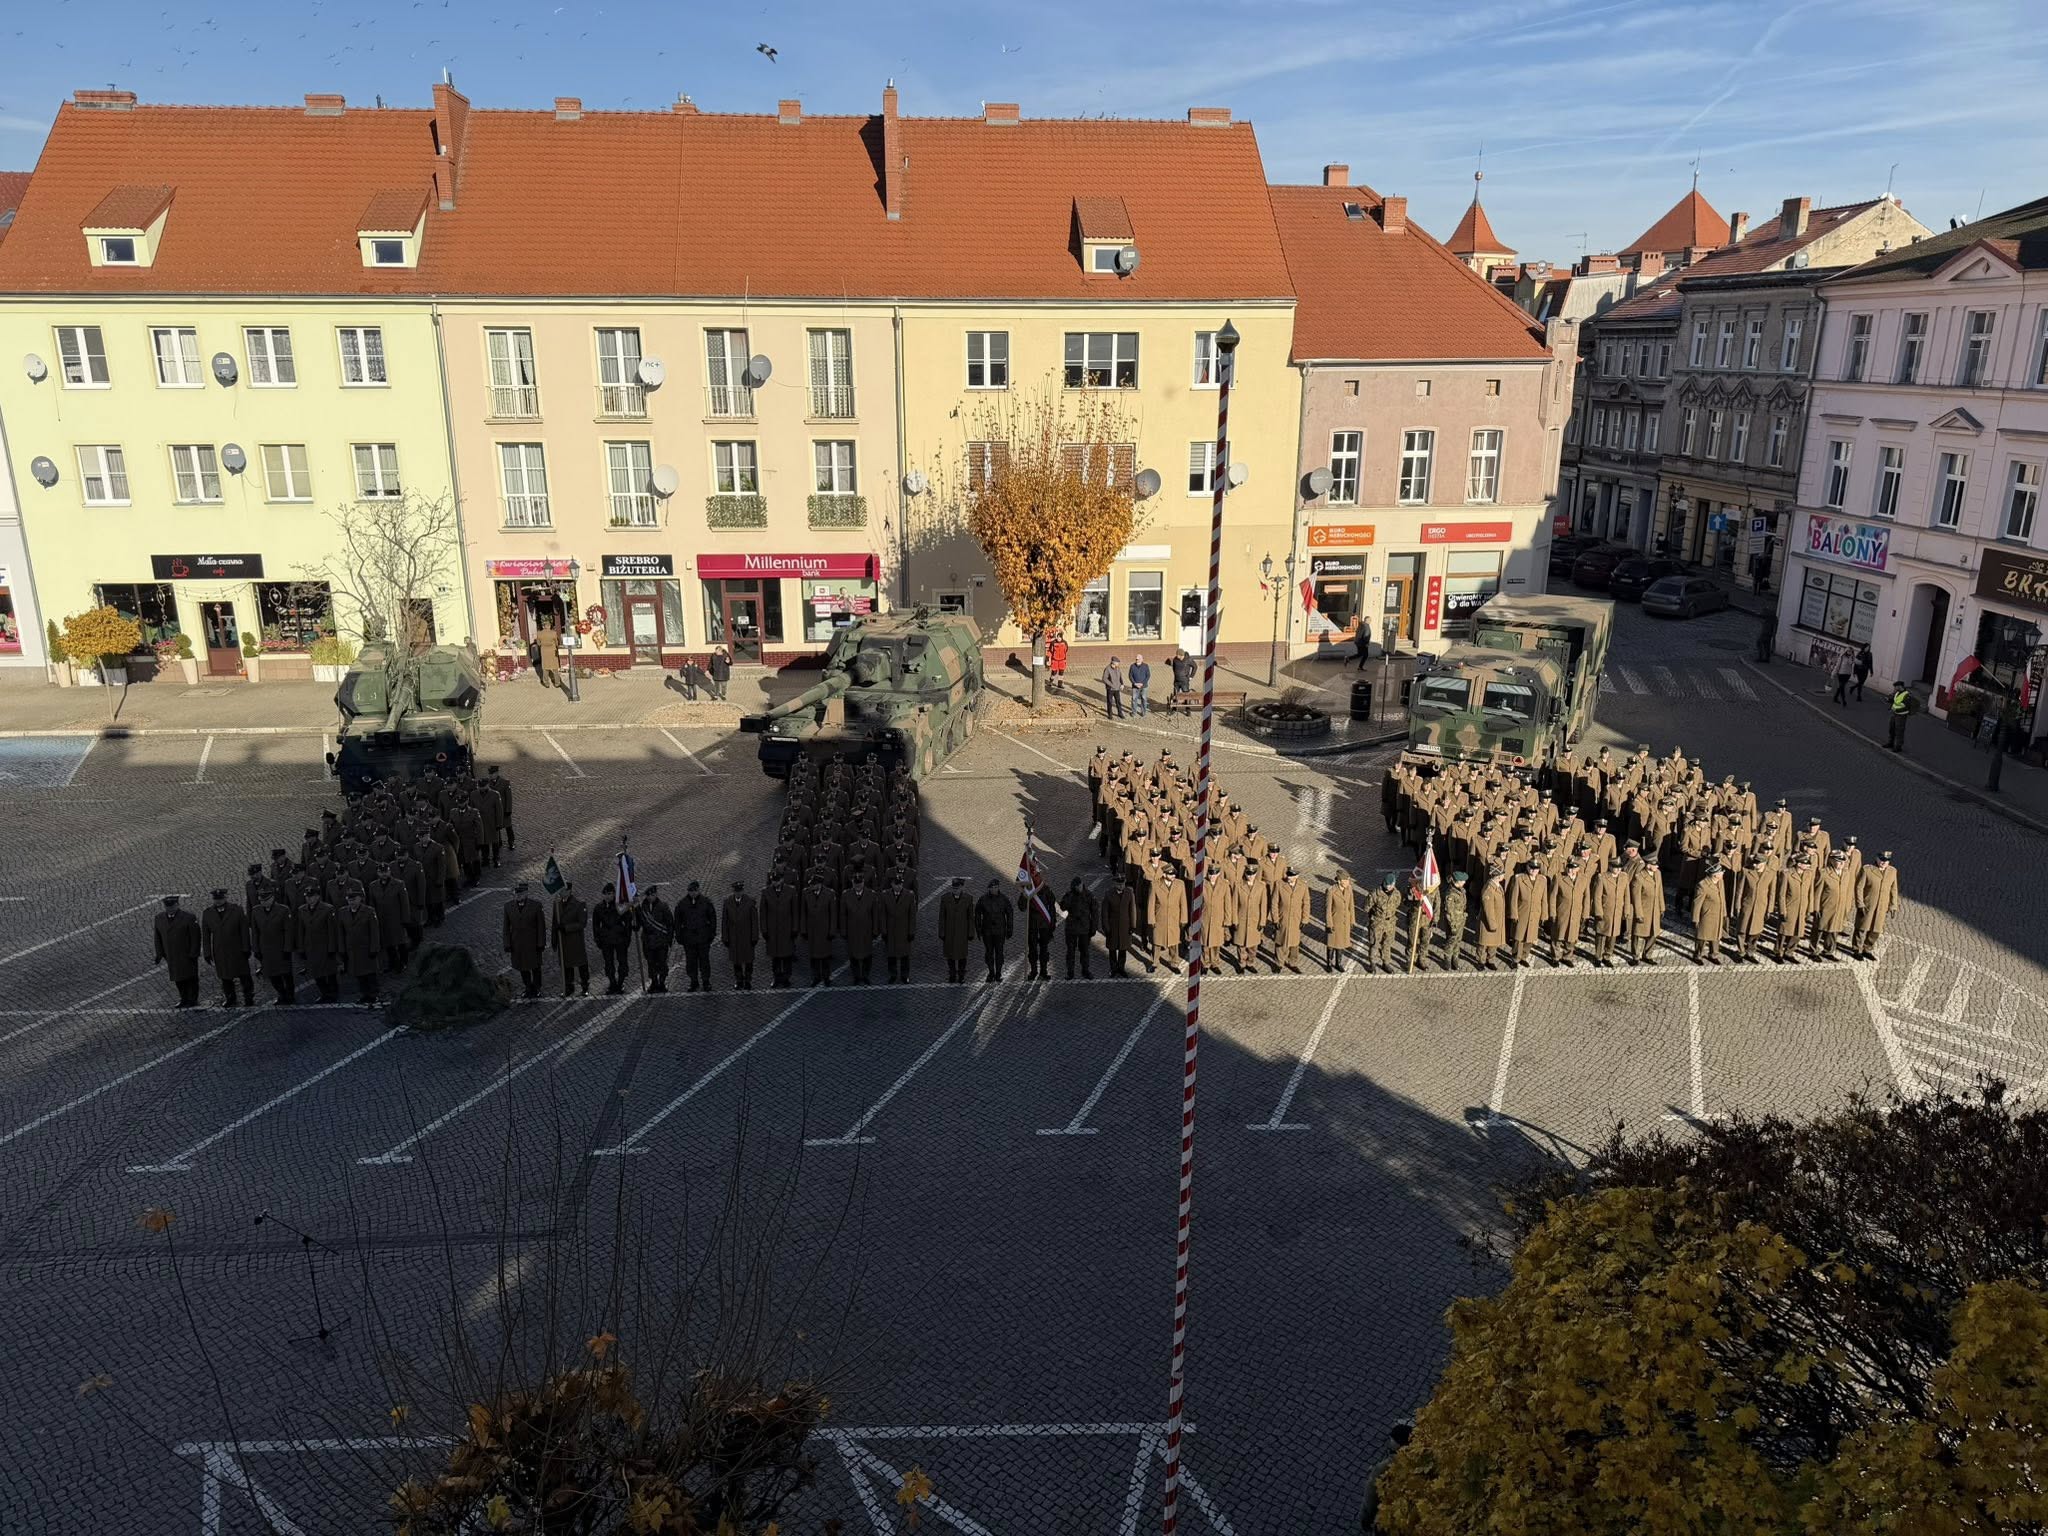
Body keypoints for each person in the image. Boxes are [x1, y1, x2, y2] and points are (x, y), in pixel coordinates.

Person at [201, 888, 255, 1008]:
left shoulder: (236, 910)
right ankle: (230, 997)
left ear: (225, 898)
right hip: (220, 950)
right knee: (225, 977)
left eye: (220, 899)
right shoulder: (208, 913)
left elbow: (244, 930)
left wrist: (246, 948)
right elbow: (205, 935)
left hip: (237, 949)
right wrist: (207, 952)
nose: (218, 901)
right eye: (216, 899)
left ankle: (249, 996)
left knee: (244, 975)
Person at [152, 895, 204, 1009]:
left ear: (177, 905)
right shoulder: (159, 918)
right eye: (168, 907)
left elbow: (195, 936)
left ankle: (193, 999)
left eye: (172, 906)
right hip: (171, 954)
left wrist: (194, 953)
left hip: (187, 954)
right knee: (178, 977)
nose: (170, 909)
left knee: (191, 977)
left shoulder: (188, 917)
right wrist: (159, 954)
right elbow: (158, 937)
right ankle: (183, 998)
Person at [251, 888, 299, 1005]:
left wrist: (287, 949)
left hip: (281, 948)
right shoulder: (256, 911)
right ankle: (282, 994)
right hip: (266, 949)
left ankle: (290, 995)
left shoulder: (283, 910)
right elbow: (255, 932)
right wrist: (256, 949)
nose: (263, 903)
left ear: (272, 898)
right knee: (272, 975)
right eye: (261, 900)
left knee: (286, 974)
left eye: (266, 900)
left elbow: (288, 931)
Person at [502, 882, 547, 998]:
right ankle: (527, 987)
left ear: (526, 893)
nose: (518, 896)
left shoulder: (536, 906)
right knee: (522, 968)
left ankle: (537, 988)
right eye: (516, 894)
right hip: (517, 944)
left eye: (521, 893)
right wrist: (507, 943)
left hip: (532, 944)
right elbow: (506, 927)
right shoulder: (508, 907)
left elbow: (541, 927)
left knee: (535, 967)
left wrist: (541, 943)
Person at [1853, 850, 1900, 959]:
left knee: (1876, 930)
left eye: (1886, 860)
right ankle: (1856, 949)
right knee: (1861, 927)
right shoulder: (1867, 870)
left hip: (1882, 907)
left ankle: (1867, 948)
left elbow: (1894, 889)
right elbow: (1859, 887)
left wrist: (1893, 905)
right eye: (1882, 859)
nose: (1883, 862)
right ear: (1877, 858)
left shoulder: (1892, 871)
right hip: (1868, 905)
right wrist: (1860, 904)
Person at [341, 889, 383, 1005]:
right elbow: (341, 932)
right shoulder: (343, 912)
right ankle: (365, 994)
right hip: (352, 949)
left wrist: (374, 948)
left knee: (370, 974)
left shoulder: (369, 911)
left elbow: (374, 932)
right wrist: (342, 949)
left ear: (360, 899)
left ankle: (374, 995)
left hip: (366, 948)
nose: (352, 902)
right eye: (349, 900)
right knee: (359, 974)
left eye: (354, 899)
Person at [299, 889, 342, 1002]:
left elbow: (332, 931)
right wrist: (301, 948)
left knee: (330, 971)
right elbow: (301, 931)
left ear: (318, 896)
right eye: (307, 896)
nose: (308, 898)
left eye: (311, 896)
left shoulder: (328, 909)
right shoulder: (302, 909)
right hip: (310, 947)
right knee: (316, 972)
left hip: (325, 946)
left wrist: (332, 948)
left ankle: (334, 993)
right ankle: (325, 993)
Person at [677, 880, 719, 992]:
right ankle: (693, 981)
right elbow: (678, 921)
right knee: (691, 962)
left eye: (695, 891)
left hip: (703, 938)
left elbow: (712, 919)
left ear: (698, 890)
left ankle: (706, 981)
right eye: (691, 891)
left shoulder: (706, 902)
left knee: (704, 961)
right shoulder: (682, 904)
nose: (693, 893)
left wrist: (711, 934)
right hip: (689, 938)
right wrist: (679, 936)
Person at [593, 883, 634, 994]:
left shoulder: (620, 906)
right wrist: (598, 939)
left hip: (620, 939)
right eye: (605, 894)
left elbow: (628, 922)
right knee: (608, 963)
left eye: (610, 893)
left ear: (614, 894)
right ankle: (612, 983)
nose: (607, 896)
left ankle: (620, 983)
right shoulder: (598, 908)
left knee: (622, 962)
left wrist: (627, 938)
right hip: (606, 940)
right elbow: (596, 925)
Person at [553, 880, 591, 996]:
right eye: (560, 890)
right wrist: (554, 940)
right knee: (566, 966)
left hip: (575, 941)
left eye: (563, 890)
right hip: (563, 941)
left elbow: (582, 923)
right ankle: (569, 987)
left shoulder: (579, 904)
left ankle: (585, 986)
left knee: (581, 965)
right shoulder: (557, 904)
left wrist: (566, 928)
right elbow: (555, 923)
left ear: (569, 891)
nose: (561, 892)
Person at [1019, 875, 1058, 980]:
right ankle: (1033, 971)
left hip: (1044, 925)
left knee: (1044, 949)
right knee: (1032, 949)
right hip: (1032, 924)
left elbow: (1052, 908)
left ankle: (1043, 971)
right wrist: (1024, 895)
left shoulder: (1046, 890)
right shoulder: (1028, 891)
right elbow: (1021, 907)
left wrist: (1052, 923)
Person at [936, 876, 975, 983]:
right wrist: (942, 932)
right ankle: (952, 974)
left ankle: (961, 975)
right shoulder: (945, 898)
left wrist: (971, 932)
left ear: (961, 887)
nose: (955, 890)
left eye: (957, 888)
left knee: (962, 956)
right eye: (953, 888)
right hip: (949, 932)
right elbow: (942, 917)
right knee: (950, 955)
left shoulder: (968, 898)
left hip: (962, 933)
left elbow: (970, 917)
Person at [974, 878, 1014, 981]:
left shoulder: (1004, 899)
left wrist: (1009, 928)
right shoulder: (983, 899)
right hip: (987, 931)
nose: (994, 889)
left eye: (996, 887)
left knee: (999, 952)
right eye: (992, 888)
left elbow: (1010, 913)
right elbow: (977, 914)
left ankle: (998, 973)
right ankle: (991, 972)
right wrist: (978, 928)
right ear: (989, 889)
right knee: (989, 953)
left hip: (1000, 931)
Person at [637, 885, 673, 992]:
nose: (650, 897)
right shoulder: (643, 907)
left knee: (662, 962)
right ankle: (654, 982)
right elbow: (640, 922)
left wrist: (669, 939)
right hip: (648, 941)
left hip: (661, 940)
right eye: (648, 895)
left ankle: (662, 982)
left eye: (652, 895)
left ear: (656, 894)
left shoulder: (663, 906)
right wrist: (635, 925)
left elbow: (670, 923)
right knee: (651, 963)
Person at [1100, 875, 1137, 977]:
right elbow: (1104, 913)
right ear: (1115, 884)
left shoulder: (1129, 893)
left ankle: (1121, 968)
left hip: (1125, 927)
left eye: (1122, 884)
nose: (1121, 886)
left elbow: (1132, 910)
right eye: (1119, 884)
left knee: (1123, 949)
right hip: (1112, 927)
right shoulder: (1109, 894)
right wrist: (1106, 927)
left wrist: (1133, 926)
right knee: (1112, 950)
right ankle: (1113, 969)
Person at [1061, 875, 1097, 979]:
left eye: (1080, 886)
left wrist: (1093, 928)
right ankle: (1070, 972)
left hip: (1084, 929)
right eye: (1076, 887)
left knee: (1084, 951)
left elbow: (1095, 912)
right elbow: (1063, 907)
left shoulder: (1088, 895)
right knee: (1070, 952)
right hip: (1071, 929)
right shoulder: (1069, 895)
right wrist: (1070, 896)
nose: (1079, 888)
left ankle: (1085, 970)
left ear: (1082, 884)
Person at [882, 878, 917, 983]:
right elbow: (882, 915)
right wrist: (884, 931)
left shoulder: (909, 895)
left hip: (904, 930)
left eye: (900, 884)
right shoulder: (885, 895)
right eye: (896, 884)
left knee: (905, 955)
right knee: (891, 955)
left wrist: (911, 931)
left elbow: (912, 915)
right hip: (891, 930)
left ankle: (904, 975)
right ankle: (892, 974)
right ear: (892, 884)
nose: (898, 886)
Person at [1364, 872, 1401, 972]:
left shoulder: (1396, 894)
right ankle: (1372, 963)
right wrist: (1374, 915)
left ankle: (1386, 963)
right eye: (1388, 885)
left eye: (1392, 885)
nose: (1390, 887)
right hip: (1377, 923)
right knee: (1374, 943)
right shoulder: (1375, 894)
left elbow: (1397, 904)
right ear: (1384, 883)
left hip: (1390, 923)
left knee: (1387, 944)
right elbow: (1366, 907)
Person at [1323, 871, 1355, 972]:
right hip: (1335, 921)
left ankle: (1338, 963)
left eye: (1348, 880)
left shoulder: (1349, 889)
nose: (1348, 882)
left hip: (1345, 921)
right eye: (1346, 880)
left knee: (1341, 943)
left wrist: (1352, 920)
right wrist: (1329, 924)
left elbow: (1351, 906)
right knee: (1331, 943)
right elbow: (1328, 909)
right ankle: (1329, 963)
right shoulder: (1331, 891)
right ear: (1340, 881)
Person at [485, 765, 516, 849]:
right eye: (490, 774)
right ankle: (498, 841)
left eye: (492, 773)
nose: (491, 775)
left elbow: (508, 798)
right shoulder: (488, 783)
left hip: (504, 809)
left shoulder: (505, 782)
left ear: (497, 773)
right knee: (496, 826)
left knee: (508, 826)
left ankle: (511, 842)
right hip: (494, 810)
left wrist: (508, 810)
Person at [536, 621, 564, 691]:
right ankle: (557, 683)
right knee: (555, 667)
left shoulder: (539, 633)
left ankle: (546, 683)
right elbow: (556, 643)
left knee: (545, 667)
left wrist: (543, 644)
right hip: (552, 651)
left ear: (544, 626)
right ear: (549, 626)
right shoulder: (553, 633)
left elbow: (538, 643)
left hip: (544, 651)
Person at [1886, 683, 1913, 751]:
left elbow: (1907, 707)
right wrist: (1889, 700)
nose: (1894, 688)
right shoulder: (1897, 693)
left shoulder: (1907, 695)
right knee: (1892, 729)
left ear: (1900, 686)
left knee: (1899, 731)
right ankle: (1890, 743)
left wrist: (1897, 710)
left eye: (1895, 687)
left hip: (1901, 715)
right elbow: (1895, 701)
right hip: (1894, 714)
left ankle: (1898, 746)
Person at [1046, 631, 1069, 695]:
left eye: (1059, 637)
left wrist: (1064, 659)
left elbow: (1066, 650)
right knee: (1054, 672)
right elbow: (1050, 651)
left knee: (1061, 672)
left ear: (1061, 637)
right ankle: (1050, 682)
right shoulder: (1053, 643)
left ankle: (1060, 684)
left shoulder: (1064, 643)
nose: (1058, 638)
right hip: (1055, 660)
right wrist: (1048, 659)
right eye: (1057, 637)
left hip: (1062, 660)